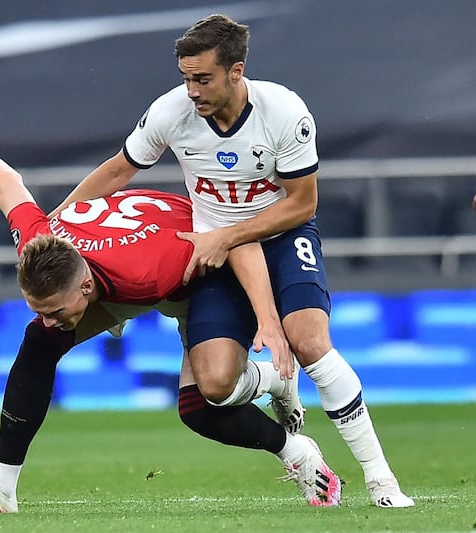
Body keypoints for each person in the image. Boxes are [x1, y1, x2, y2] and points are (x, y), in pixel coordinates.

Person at [50, 14, 413, 508]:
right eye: (186, 78)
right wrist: (56, 224)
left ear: (236, 71)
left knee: (309, 340)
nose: (192, 91)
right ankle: (276, 381)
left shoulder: (283, 111)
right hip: (213, 252)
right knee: (216, 386)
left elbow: (303, 203)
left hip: (282, 237)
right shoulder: (170, 112)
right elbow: (118, 171)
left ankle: (380, 480)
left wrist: (229, 234)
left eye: (203, 79)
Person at [0, 134, 342, 514]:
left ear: (83, 286)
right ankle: (0, 490)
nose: (47, 316)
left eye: (55, 310)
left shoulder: (152, 269)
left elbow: (234, 239)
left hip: (206, 266)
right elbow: (5, 182)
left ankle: (278, 394)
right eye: (39, 306)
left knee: (206, 400)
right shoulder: (39, 242)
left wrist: (267, 319)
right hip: (121, 268)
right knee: (39, 341)